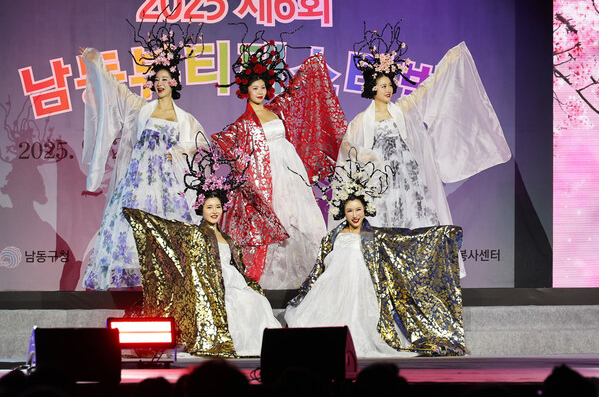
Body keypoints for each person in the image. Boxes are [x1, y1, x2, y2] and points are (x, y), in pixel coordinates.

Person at [341, 21, 511, 276]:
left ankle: (423, 276)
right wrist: (363, 153)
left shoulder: (401, 108)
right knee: (384, 227)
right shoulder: (361, 120)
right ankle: (385, 278)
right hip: (382, 183)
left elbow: (427, 88)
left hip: (409, 180)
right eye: (383, 86)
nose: (389, 90)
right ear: (373, 88)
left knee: (418, 221)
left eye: (390, 85)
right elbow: (346, 144)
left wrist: (448, 62)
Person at [285, 156, 467, 357]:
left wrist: (443, 235)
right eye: (350, 211)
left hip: (364, 289)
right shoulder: (332, 237)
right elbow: (320, 266)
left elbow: (407, 239)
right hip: (332, 290)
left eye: (358, 210)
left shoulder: (375, 236)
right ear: (343, 212)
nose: (355, 215)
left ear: (365, 210)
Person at [211, 32, 347, 289]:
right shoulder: (243, 123)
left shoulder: (276, 110)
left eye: (263, 87)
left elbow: (296, 91)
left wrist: (311, 67)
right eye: (255, 88)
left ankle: (310, 278)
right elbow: (225, 144)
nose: (260, 92)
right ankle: (272, 282)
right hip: (266, 176)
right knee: (278, 218)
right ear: (246, 91)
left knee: (301, 219)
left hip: (289, 168)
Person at [80, 19, 206, 290]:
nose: (159, 84)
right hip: (138, 181)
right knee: (131, 232)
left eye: (165, 79)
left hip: (167, 183)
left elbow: (198, 143)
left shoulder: (184, 117)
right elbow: (117, 89)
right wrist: (97, 62)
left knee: (168, 234)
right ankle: (141, 291)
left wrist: (177, 152)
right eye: (156, 79)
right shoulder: (142, 108)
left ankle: (167, 289)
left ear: (174, 82)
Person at [122, 144, 281, 357]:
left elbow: (238, 266)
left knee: (257, 301)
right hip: (209, 284)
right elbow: (170, 231)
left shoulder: (227, 238)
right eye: (209, 207)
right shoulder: (196, 233)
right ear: (201, 209)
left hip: (233, 281)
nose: (214, 211)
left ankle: (261, 347)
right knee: (233, 305)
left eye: (217, 207)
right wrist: (143, 219)